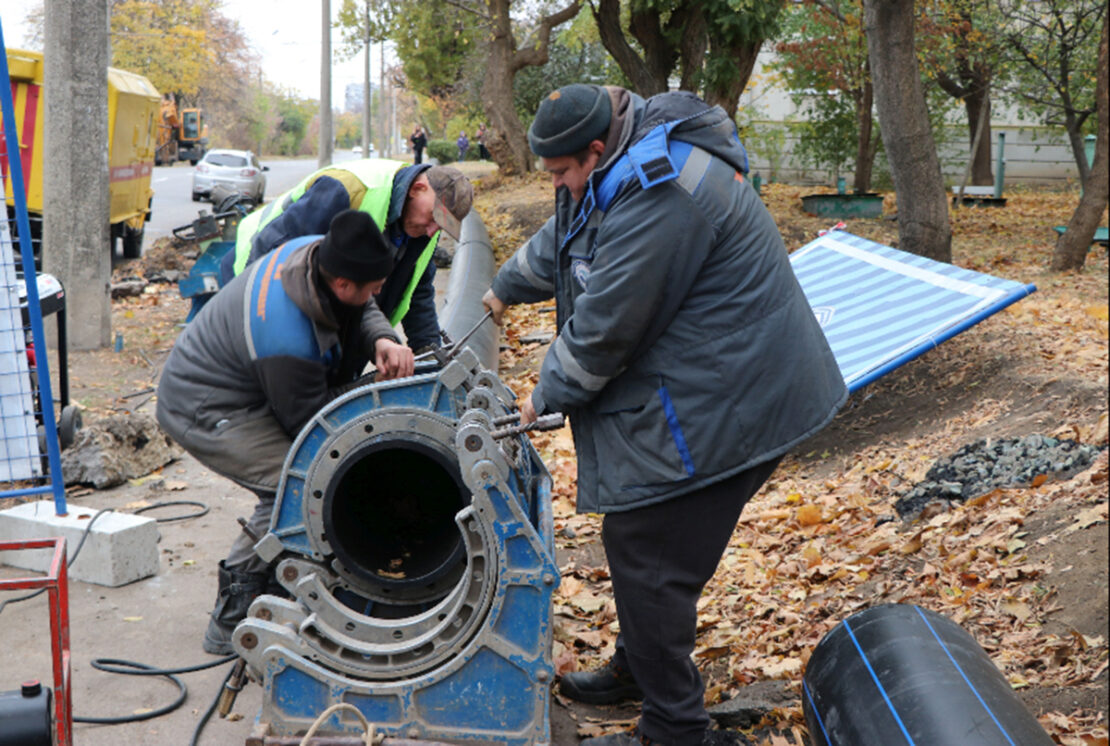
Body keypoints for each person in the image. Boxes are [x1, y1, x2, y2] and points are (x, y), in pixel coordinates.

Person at [481, 84, 847, 745]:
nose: (558, 186)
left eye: (563, 172)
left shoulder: (661, 190)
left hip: (744, 392)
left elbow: (607, 328)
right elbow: (570, 233)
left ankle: (675, 727)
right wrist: (502, 287)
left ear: (595, 149)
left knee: (646, 549)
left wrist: (544, 395)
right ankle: (638, 669)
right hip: (719, 373)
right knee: (646, 541)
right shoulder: (617, 165)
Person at [157, 209, 417, 655]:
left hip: (252, 383)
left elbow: (366, 300)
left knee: (310, 479)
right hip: (205, 405)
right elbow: (312, 428)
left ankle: (279, 585)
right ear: (340, 286)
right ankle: (232, 613)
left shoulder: (322, 249)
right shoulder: (285, 337)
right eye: (372, 286)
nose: (377, 292)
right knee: (294, 485)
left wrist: (382, 339)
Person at [224, 161, 473, 353]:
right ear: (417, 190)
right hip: (251, 279)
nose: (433, 231)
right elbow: (273, 257)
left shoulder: (423, 228)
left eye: (442, 226)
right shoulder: (346, 190)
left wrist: (429, 353)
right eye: (434, 218)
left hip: (341, 318)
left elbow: (417, 294)